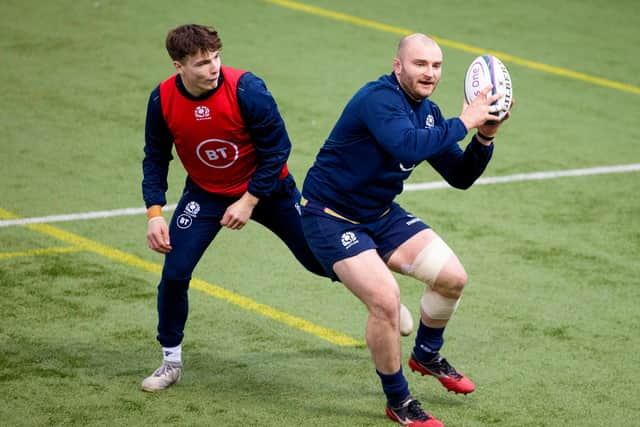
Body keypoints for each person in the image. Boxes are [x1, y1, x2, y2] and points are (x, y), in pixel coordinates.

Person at [300, 33, 513, 426]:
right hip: (329, 216)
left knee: (452, 278)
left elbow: (461, 176)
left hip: (380, 214)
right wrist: (464, 120)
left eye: (436, 66)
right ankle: (398, 401)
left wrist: (485, 135)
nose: (429, 73)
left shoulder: (428, 113)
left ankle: (426, 354)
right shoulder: (377, 100)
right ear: (398, 65)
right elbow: (407, 146)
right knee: (385, 300)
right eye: (420, 64)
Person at [140, 24, 327, 392]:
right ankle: (170, 361)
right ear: (178, 65)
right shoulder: (161, 100)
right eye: (202, 63)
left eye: (216, 58)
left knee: (320, 259)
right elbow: (156, 157)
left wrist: (249, 200)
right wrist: (155, 213)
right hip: (205, 193)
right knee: (175, 274)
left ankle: (379, 291)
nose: (213, 68)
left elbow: (278, 149)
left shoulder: (246, 89)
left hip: (269, 190)